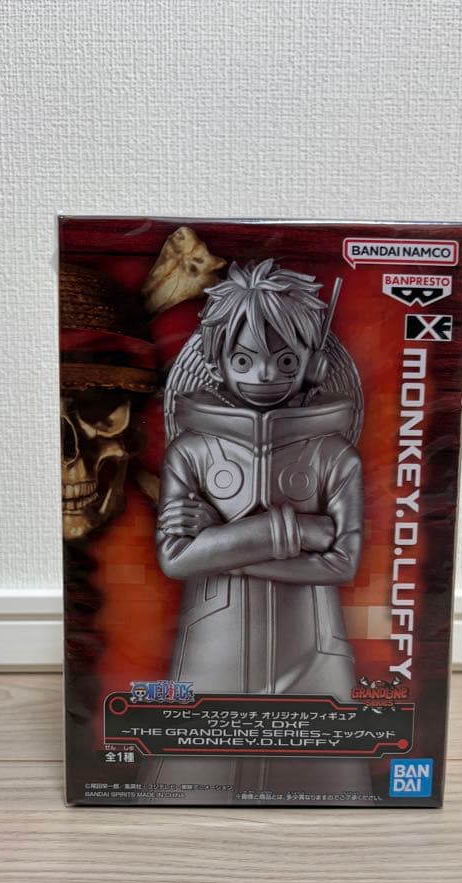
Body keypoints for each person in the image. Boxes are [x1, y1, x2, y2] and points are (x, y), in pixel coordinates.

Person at [156, 258, 364, 702]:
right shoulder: (190, 451)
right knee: (202, 745)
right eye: (243, 360)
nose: (264, 374)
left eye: (285, 359)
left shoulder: (335, 455)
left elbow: (343, 564)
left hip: (314, 649)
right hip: (212, 648)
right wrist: (299, 532)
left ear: (314, 366)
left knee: (322, 743)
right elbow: (174, 559)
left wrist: (218, 546)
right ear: (216, 365)